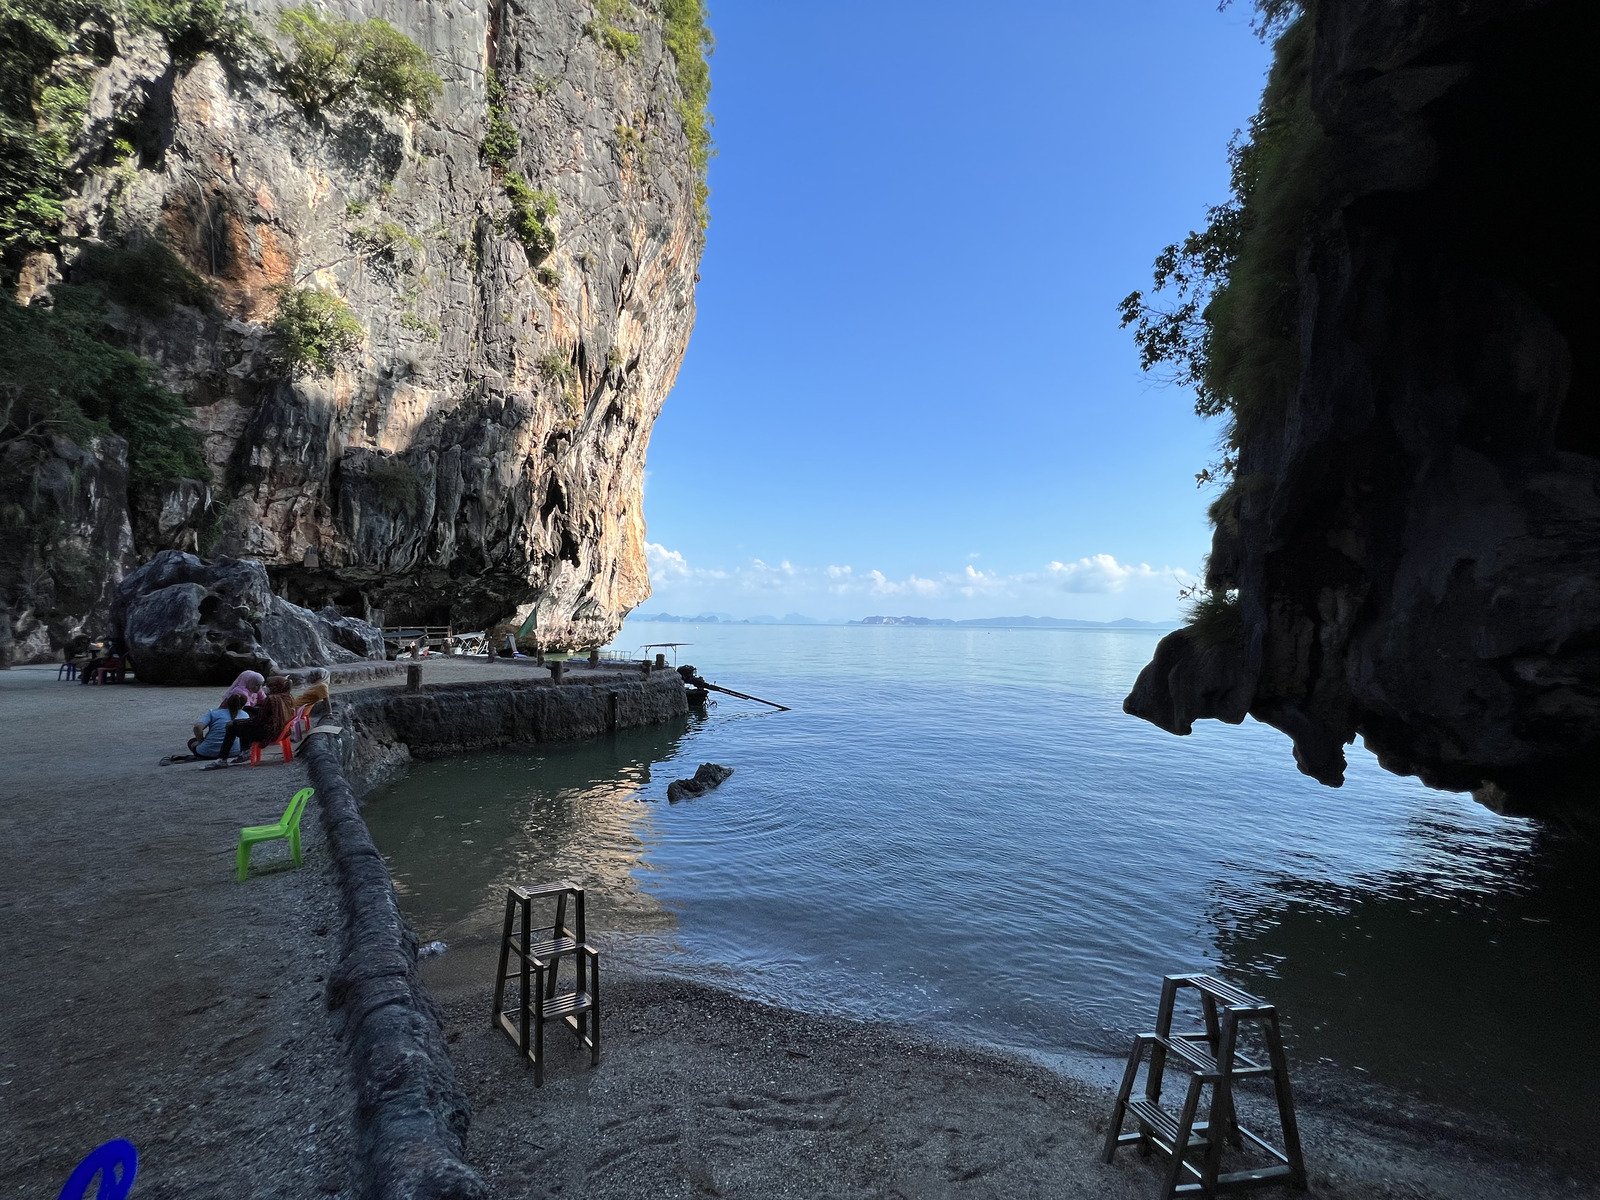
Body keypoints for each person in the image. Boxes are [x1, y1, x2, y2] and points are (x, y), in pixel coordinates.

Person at [205, 675, 295, 768]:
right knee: (244, 724)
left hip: (270, 733)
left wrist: (237, 722)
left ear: (275, 687)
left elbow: (259, 721)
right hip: (282, 732)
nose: (265, 688)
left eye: (269, 686)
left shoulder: (272, 699)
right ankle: (244, 752)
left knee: (233, 727)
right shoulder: (287, 697)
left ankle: (222, 759)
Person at [161, 694, 244, 764]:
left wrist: (200, 741)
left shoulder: (214, 713)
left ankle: (203, 752)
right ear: (243, 705)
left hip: (207, 752)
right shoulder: (245, 715)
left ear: (226, 702)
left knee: (192, 741)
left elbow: (197, 727)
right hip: (235, 752)